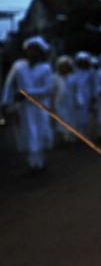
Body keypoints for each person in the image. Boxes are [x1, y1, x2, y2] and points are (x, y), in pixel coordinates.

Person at [1, 36, 54, 172]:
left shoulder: (46, 68)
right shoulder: (18, 66)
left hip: (40, 106)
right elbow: (9, 84)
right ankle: (32, 163)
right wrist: (5, 102)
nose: (32, 53)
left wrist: (27, 93)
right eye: (30, 49)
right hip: (24, 108)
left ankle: (40, 162)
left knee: (40, 132)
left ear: (41, 52)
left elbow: (48, 89)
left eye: (36, 50)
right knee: (28, 133)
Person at [53, 55, 77, 143]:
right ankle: (63, 137)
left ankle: (70, 136)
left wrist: (78, 100)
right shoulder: (55, 77)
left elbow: (77, 90)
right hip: (59, 102)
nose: (64, 68)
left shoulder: (73, 77)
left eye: (65, 66)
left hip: (70, 102)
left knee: (71, 119)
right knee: (61, 119)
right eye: (62, 66)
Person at [73, 51, 95, 135]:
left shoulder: (91, 72)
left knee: (85, 115)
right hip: (75, 95)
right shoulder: (74, 71)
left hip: (86, 95)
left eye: (84, 61)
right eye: (80, 61)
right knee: (76, 114)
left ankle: (84, 133)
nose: (82, 63)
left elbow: (93, 85)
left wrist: (93, 96)